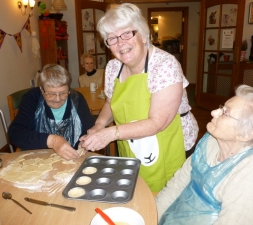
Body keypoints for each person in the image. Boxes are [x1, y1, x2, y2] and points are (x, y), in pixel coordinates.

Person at [79, 3, 198, 192]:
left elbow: (159, 122)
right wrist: (99, 126)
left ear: (143, 34)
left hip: (170, 142)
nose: (121, 43)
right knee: (136, 190)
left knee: (166, 200)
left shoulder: (165, 65)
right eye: (112, 38)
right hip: (132, 142)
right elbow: (110, 103)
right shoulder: (112, 68)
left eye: (127, 33)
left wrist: (110, 134)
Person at [155, 85, 253, 225]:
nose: (214, 112)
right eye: (221, 107)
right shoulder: (211, 142)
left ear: (245, 134)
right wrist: (151, 218)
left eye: (225, 113)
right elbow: (175, 187)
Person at [8, 64, 94, 160]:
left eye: (63, 93)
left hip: (72, 157)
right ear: (41, 89)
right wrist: (52, 141)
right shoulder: (33, 98)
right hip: (39, 158)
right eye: (51, 94)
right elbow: (15, 133)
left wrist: (85, 141)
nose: (57, 99)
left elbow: (89, 129)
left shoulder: (77, 99)